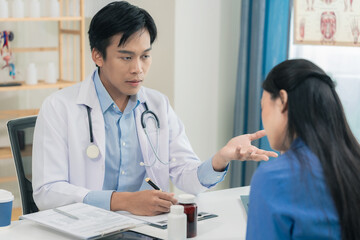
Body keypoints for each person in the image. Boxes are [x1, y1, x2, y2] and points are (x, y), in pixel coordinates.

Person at [32, 1, 277, 216]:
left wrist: (220, 159)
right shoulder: (59, 107)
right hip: (84, 227)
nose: (138, 68)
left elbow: (186, 176)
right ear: (98, 56)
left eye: (145, 56)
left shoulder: (157, 105)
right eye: (126, 57)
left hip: (147, 228)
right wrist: (122, 201)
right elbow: (47, 192)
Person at [246, 59, 360, 239]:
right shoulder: (353, 162)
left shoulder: (273, 178)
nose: (263, 118)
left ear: (282, 100)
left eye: (263, 106)